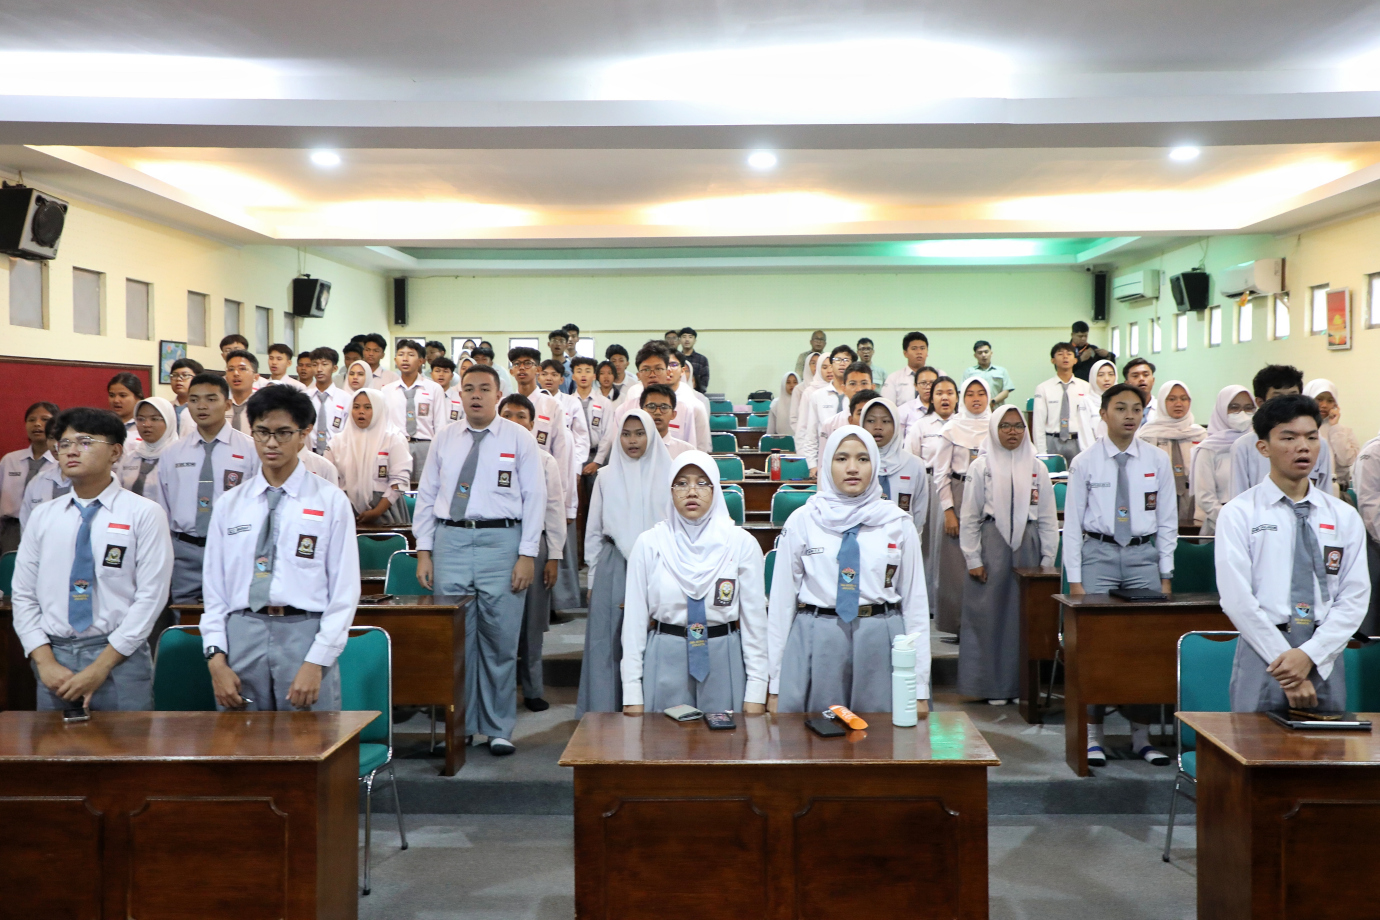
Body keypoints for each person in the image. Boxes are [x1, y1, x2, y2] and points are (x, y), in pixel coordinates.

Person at [201, 386, 360, 713]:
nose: (271, 443)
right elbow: (214, 590)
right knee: (242, 738)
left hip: (304, 632)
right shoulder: (231, 504)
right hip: (242, 632)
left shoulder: (330, 501)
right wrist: (216, 659)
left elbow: (344, 591)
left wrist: (317, 661)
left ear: (303, 434)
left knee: (309, 737)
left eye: (283, 433)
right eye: (262, 432)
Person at [414, 364, 545, 755]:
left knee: (499, 639)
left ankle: (498, 727)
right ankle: (463, 726)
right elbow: (427, 494)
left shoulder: (519, 438)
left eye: (484, 389)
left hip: (501, 543)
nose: (476, 395)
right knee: (456, 641)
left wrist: (527, 554)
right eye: (469, 388)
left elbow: (535, 498)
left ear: (498, 394)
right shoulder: (445, 437)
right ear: (459, 394)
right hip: (451, 540)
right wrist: (424, 551)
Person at [12, 407, 173, 712]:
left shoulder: (144, 514)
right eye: (65, 443)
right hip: (54, 658)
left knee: (127, 742)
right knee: (53, 742)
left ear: (115, 452)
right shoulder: (43, 516)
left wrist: (101, 666)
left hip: (119, 659)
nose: (71, 451)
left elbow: (151, 597)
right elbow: (23, 593)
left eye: (85, 442)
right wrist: (43, 661)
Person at [1216, 394, 1369, 713]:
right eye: (1289, 438)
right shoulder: (1240, 513)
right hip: (1264, 653)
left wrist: (1310, 655)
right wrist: (1287, 666)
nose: (1303, 447)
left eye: (1311, 437)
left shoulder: (1343, 516)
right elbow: (1237, 599)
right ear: (1263, 447)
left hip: (1325, 654)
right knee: (1253, 743)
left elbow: (1355, 597)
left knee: (1327, 744)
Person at [767, 426, 930, 713]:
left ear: (875, 464)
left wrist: (918, 686)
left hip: (881, 638)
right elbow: (781, 605)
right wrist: (775, 682)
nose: (852, 468)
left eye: (863, 459)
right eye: (841, 458)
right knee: (817, 734)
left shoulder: (897, 522)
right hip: (817, 637)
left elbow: (915, 606)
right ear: (827, 463)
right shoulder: (803, 520)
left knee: (880, 735)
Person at [1063, 382, 1177, 766]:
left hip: (1143, 556)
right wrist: (1076, 580)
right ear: (1103, 414)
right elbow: (1072, 525)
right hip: (1099, 554)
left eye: (1136, 409)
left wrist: (1166, 572)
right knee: (1096, 648)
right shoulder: (1085, 462)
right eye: (1120, 408)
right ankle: (1093, 736)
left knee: (1146, 648)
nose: (1130, 415)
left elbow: (1168, 521)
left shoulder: (1157, 460)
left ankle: (1141, 737)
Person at [621, 451, 767, 713]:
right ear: (670, 490)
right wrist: (632, 693)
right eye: (681, 483)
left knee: (726, 737)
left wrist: (757, 689)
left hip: (724, 656)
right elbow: (634, 623)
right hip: (666, 655)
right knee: (664, 736)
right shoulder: (649, 543)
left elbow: (754, 622)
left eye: (702, 483)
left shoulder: (741, 543)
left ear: (715, 489)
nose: (691, 491)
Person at [958, 406, 1058, 704]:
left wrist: (1048, 559)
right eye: (1005, 426)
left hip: (1028, 545)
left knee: (1023, 619)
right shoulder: (981, 466)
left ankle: (1020, 687)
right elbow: (970, 516)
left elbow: (1047, 517)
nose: (1012, 432)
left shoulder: (1037, 468)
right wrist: (973, 558)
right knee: (990, 617)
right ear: (994, 429)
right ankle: (991, 688)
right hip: (993, 545)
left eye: (1018, 426)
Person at [581, 409, 671, 716]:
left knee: (653, 635)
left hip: (658, 564)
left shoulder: (669, 473)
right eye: (626, 434)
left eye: (639, 433)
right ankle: (604, 713)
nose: (632, 441)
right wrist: (592, 578)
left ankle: (652, 712)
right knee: (608, 640)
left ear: (651, 436)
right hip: (614, 564)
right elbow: (594, 532)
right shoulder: (605, 476)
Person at [155, 373, 260, 604]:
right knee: (184, 614)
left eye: (211, 399)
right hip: (185, 550)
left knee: (234, 610)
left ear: (228, 404)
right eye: (194, 400)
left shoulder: (250, 450)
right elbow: (164, 507)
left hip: (233, 547)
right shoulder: (173, 453)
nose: (201, 406)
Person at [498, 394, 566, 713]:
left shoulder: (545, 460)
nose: (513, 421)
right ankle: (499, 692)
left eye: (520, 416)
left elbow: (554, 509)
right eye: (507, 414)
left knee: (532, 623)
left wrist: (554, 556)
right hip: (499, 543)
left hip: (536, 545)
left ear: (533, 423)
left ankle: (533, 688)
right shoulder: (488, 454)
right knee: (499, 623)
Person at [932, 376, 993, 636]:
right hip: (958, 494)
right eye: (970, 394)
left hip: (988, 497)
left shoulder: (997, 426)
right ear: (962, 398)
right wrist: (948, 511)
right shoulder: (951, 428)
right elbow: (940, 473)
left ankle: (984, 624)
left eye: (981, 393)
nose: (976, 399)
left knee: (985, 560)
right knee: (956, 566)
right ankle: (957, 625)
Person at [1230, 365, 1332, 498]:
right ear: (1260, 402)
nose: (1287, 404)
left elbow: (1325, 492)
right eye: (1278, 397)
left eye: (1293, 396)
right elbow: (1239, 494)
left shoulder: (1318, 443)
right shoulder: (1243, 446)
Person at [907, 375, 959, 613]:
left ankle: (948, 602)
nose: (944, 397)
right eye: (939, 393)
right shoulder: (921, 425)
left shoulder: (963, 425)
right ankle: (926, 603)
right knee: (927, 545)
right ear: (931, 398)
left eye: (949, 392)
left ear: (957, 397)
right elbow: (910, 459)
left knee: (948, 546)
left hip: (954, 486)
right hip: (927, 485)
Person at [325, 389, 412, 525]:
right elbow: (327, 477)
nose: (361, 412)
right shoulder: (337, 442)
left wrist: (377, 511)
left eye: (367, 407)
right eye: (356, 407)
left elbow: (399, 481)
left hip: (386, 509)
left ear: (379, 410)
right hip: (345, 509)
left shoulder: (393, 439)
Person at [1137, 380, 1207, 528]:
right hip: (1159, 497)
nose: (1178, 403)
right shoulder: (1148, 434)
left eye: (1184, 398)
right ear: (1162, 402)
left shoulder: (1200, 435)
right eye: (1172, 399)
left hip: (1192, 498)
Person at [381, 339, 450, 485]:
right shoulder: (386, 390)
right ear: (395, 360)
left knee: (425, 487)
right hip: (397, 445)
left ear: (421, 361)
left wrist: (440, 453)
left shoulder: (434, 388)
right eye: (401, 354)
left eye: (411, 355)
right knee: (398, 486)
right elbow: (384, 425)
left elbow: (440, 425)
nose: (405, 359)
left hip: (426, 445)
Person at [859, 397, 929, 536]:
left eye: (885, 421)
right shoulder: (856, 465)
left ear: (896, 425)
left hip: (902, 539)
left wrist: (912, 541)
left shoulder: (914, 465)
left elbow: (919, 512)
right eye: (871, 421)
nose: (878, 427)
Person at [1191, 385, 1255, 536]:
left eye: (1248, 408)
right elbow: (1205, 498)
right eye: (1234, 408)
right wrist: (1233, 519)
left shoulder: (1258, 444)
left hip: (1257, 527)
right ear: (1221, 409)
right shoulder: (1208, 449)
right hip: (1220, 528)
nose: (1242, 413)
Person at [1, 401, 58, 553]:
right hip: (11, 529)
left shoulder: (61, 462)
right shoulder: (10, 460)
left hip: (48, 528)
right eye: (31, 420)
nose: (37, 424)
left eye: (44, 419)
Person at [800, 346, 859, 475]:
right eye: (837, 359)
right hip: (825, 458)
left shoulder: (858, 396)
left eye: (846, 360)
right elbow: (811, 433)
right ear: (831, 365)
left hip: (853, 458)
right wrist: (812, 465)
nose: (842, 363)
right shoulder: (818, 396)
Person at [1032, 342, 1092, 464]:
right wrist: (1041, 453)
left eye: (1069, 354)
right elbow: (1038, 423)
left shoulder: (1086, 387)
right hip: (1052, 440)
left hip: (1078, 441)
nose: (1065, 357)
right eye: (1060, 354)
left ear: (1075, 360)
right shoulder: (1043, 388)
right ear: (1053, 360)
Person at [810, 366, 876, 469]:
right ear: (844, 388)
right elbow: (824, 464)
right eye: (852, 384)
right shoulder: (830, 424)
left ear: (872, 387)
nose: (859, 389)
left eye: (864, 383)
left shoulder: (881, 423)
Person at [1304, 379, 1360, 493]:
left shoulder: (1344, 431)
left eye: (1330, 401)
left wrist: (1335, 428)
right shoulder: (1298, 430)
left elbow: (1347, 461)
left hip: (1338, 493)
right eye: (1319, 399)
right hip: (1306, 490)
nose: (1324, 405)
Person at [117, 397, 178, 497]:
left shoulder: (179, 457)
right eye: (141, 419)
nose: (146, 424)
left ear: (169, 421)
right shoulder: (130, 458)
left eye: (154, 419)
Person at [19, 417, 69, 532]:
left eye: (62, 438)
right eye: (51, 438)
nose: (55, 444)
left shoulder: (94, 479)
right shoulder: (38, 480)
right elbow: (26, 526)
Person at [574, 357, 616, 475]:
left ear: (594, 376)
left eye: (587, 371)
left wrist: (597, 462)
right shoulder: (568, 402)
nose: (583, 375)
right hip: (575, 457)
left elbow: (608, 434)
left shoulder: (604, 402)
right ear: (573, 376)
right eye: (579, 371)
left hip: (598, 456)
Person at [305, 346, 350, 455]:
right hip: (310, 452)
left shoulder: (345, 398)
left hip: (336, 453)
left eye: (324, 364)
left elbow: (348, 431)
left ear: (334, 368)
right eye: (315, 365)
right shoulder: (304, 397)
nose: (319, 369)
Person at [640, 384, 693, 459]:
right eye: (651, 407)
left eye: (664, 407)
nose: (657, 412)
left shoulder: (686, 452)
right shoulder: (632, 450)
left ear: (673, 414)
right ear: (641, 412)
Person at [881, 332, 930, 406]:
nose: (919, 352)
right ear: (905, 353)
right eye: (914, 349)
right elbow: (887, 406)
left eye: (922, 348)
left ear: (927, 352)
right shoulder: (894, 378)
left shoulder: (939, 375)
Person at [1078, 358, 1118, 443]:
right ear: (1093, 377)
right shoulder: (1086, 401)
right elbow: (1085, 433)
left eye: (1111, 374)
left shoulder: (1122, 399)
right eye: (1101, 375)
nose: (1106, 379)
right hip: (1094, 448)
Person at [964, 341, 1014, 406]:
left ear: (991, 353)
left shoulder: (1002, 371)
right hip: (976, 408)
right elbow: (964, 392)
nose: (983, 355)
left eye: (986, 352)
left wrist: (993, 401)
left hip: (997, 408)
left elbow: (1006, 391)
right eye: (980, 353)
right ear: (975, 355)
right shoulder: (969, 372)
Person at [897, 366, 940, 442]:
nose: (928, 387)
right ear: (916, 386)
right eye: (923, 383)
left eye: (932, 383)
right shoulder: (904, 410)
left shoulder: (944, 409)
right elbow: (899, 441)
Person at [224, 350, 259, 433]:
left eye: (242, 369)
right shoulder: (220, 405)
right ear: (226, 377)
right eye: (231, 369)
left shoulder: (263, 405)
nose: (236, 373)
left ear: (256, 377)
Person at [168, 358, 204, 437]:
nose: (178, 379)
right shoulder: (166, 407)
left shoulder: (204, 409)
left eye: (185, 375)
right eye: (174, 375)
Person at [789, 352, 822, 432]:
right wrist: (801, 433)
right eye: (813, 363)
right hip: (804, 433)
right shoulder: (799, 389)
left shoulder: (827, 387)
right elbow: (794, 418)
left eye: (818, 363)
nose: (816, 366)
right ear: (807, 365)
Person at [107, 372, 143, 437]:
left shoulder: (145, 425)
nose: (116, 400)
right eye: (112, 395)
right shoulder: (103, 424)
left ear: (138, 398)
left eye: (122, 395)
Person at [1123, 358, 1157, 426]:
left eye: (1146, 375)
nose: (1141, 379)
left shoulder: (1164, 409)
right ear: (1127, 383)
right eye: (1135, 376)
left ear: (1153, 380)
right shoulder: (1121, 411)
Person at [678, 327, 710, 393]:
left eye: (690, 337)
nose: (687, 339)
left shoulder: (702, 359)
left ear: (695, 340)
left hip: (696, 394)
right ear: (679, 340)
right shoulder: (676, 358)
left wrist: (698, 394)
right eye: (684, 337)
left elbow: (704, 380)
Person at [767, 371, 798, 437]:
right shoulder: (775, 404)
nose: (792, 385)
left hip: (801, 441)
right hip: (780, 441)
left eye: (795, 382)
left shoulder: (804, 402)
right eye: (788, 382)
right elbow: (770, 431)